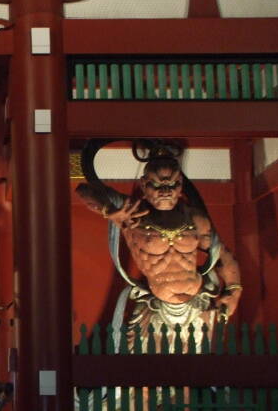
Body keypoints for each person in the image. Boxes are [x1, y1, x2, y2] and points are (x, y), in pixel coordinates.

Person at [75, 140, 241, 349]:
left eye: (172, 185)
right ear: (144, 185)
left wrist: (234, 290)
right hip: (156, 306)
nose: (166, 191)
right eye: (157, 185)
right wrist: (110, 211)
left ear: (180, 184)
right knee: (146, 372)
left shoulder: (194, 219)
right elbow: (83, 190)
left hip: (198, 304)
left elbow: (222, 254)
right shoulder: (133, 213)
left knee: (195, 371)